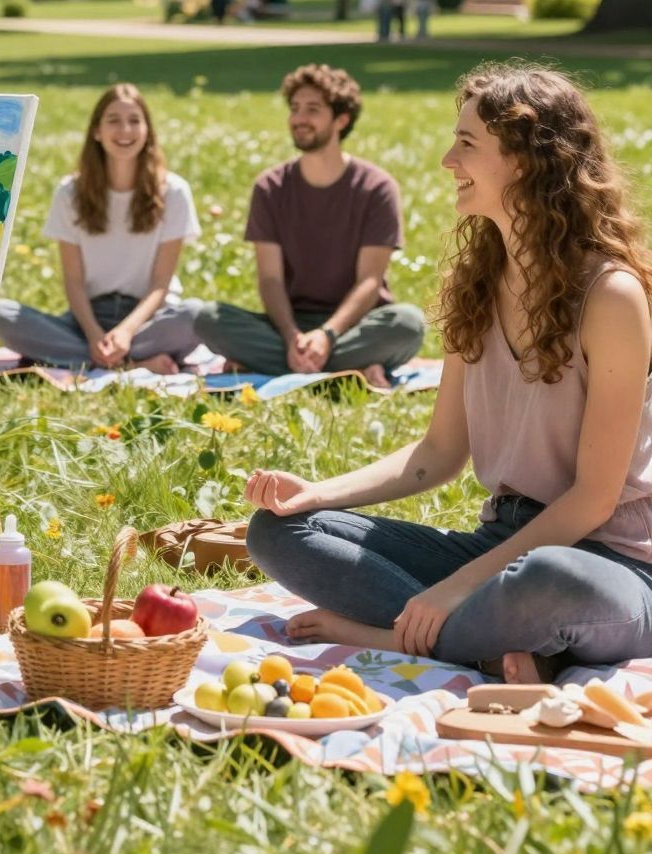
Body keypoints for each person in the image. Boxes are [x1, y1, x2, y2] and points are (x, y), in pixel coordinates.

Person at [244, 66, 652, 677]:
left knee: (547, 579)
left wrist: (455, 587)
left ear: (526, 159)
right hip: (503, 541)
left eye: (466, 144)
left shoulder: (610, 295)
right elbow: (438, 452)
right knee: (279, 533)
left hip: (608, 565)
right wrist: (315, 494)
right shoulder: (482, 284)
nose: (445, 160)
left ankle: (389, 632)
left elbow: (593, 501)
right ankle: (483, 642)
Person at [194, 64, 424, 388]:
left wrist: (328, 336)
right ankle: (349, 368)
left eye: (312, 110)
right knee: (207, 318)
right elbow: (270, 279)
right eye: (295, 109)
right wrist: (292, 337)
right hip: (289, 324)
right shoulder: (270, 187)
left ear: (341, 120)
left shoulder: (377, 188)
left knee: (408, 324)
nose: (299, 118)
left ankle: (281, 364)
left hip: (356, 324)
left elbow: (369, 282)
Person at [0, 82, 206, 373]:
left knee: (198, 315)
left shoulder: (175, 192)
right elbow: (74, 281)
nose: (125, 131)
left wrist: (126, 332)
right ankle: (134, 364)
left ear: (147, 132)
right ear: (97, 131)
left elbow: (160, 284)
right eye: (113, 121)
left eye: (134, 121)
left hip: (150, 320)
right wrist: (94, 334)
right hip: (87, 319)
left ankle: (92, 360)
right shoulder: (70, 192)